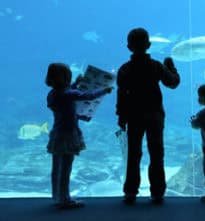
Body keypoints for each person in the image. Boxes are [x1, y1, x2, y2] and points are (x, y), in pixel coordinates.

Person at [116, 27, 180, 204]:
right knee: (157, 153)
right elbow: (173, 83)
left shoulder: (125, 69)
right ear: (149, 45)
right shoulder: (156, 66)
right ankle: (158, 192)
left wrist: (121, 117)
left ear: (129, 47)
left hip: (133, 116)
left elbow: (121, 95)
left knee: (133, 154)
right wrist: (171, 67)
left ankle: (130, 192)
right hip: (154, 116)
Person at [45, 63, 112, 209]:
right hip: (68, 135)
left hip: (56, 134)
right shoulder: (68, 94)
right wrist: (104, 90)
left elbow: (68, 93)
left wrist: (76, 83)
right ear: (65, 78)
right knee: (66, 168)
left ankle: (57, 196)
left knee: (56, 167)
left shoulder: (52, 94)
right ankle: (65, 199)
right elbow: (88, 95)